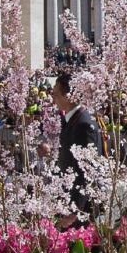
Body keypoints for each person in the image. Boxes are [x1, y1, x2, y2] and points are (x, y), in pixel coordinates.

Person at [52, 70, 102, 222]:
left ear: (69, 96)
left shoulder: (83, 124)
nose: (53, 98)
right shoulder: (72, 120)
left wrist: (75, 210)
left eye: (56, 94)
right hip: (67, 199)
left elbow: (85, 168)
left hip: (80, 210)